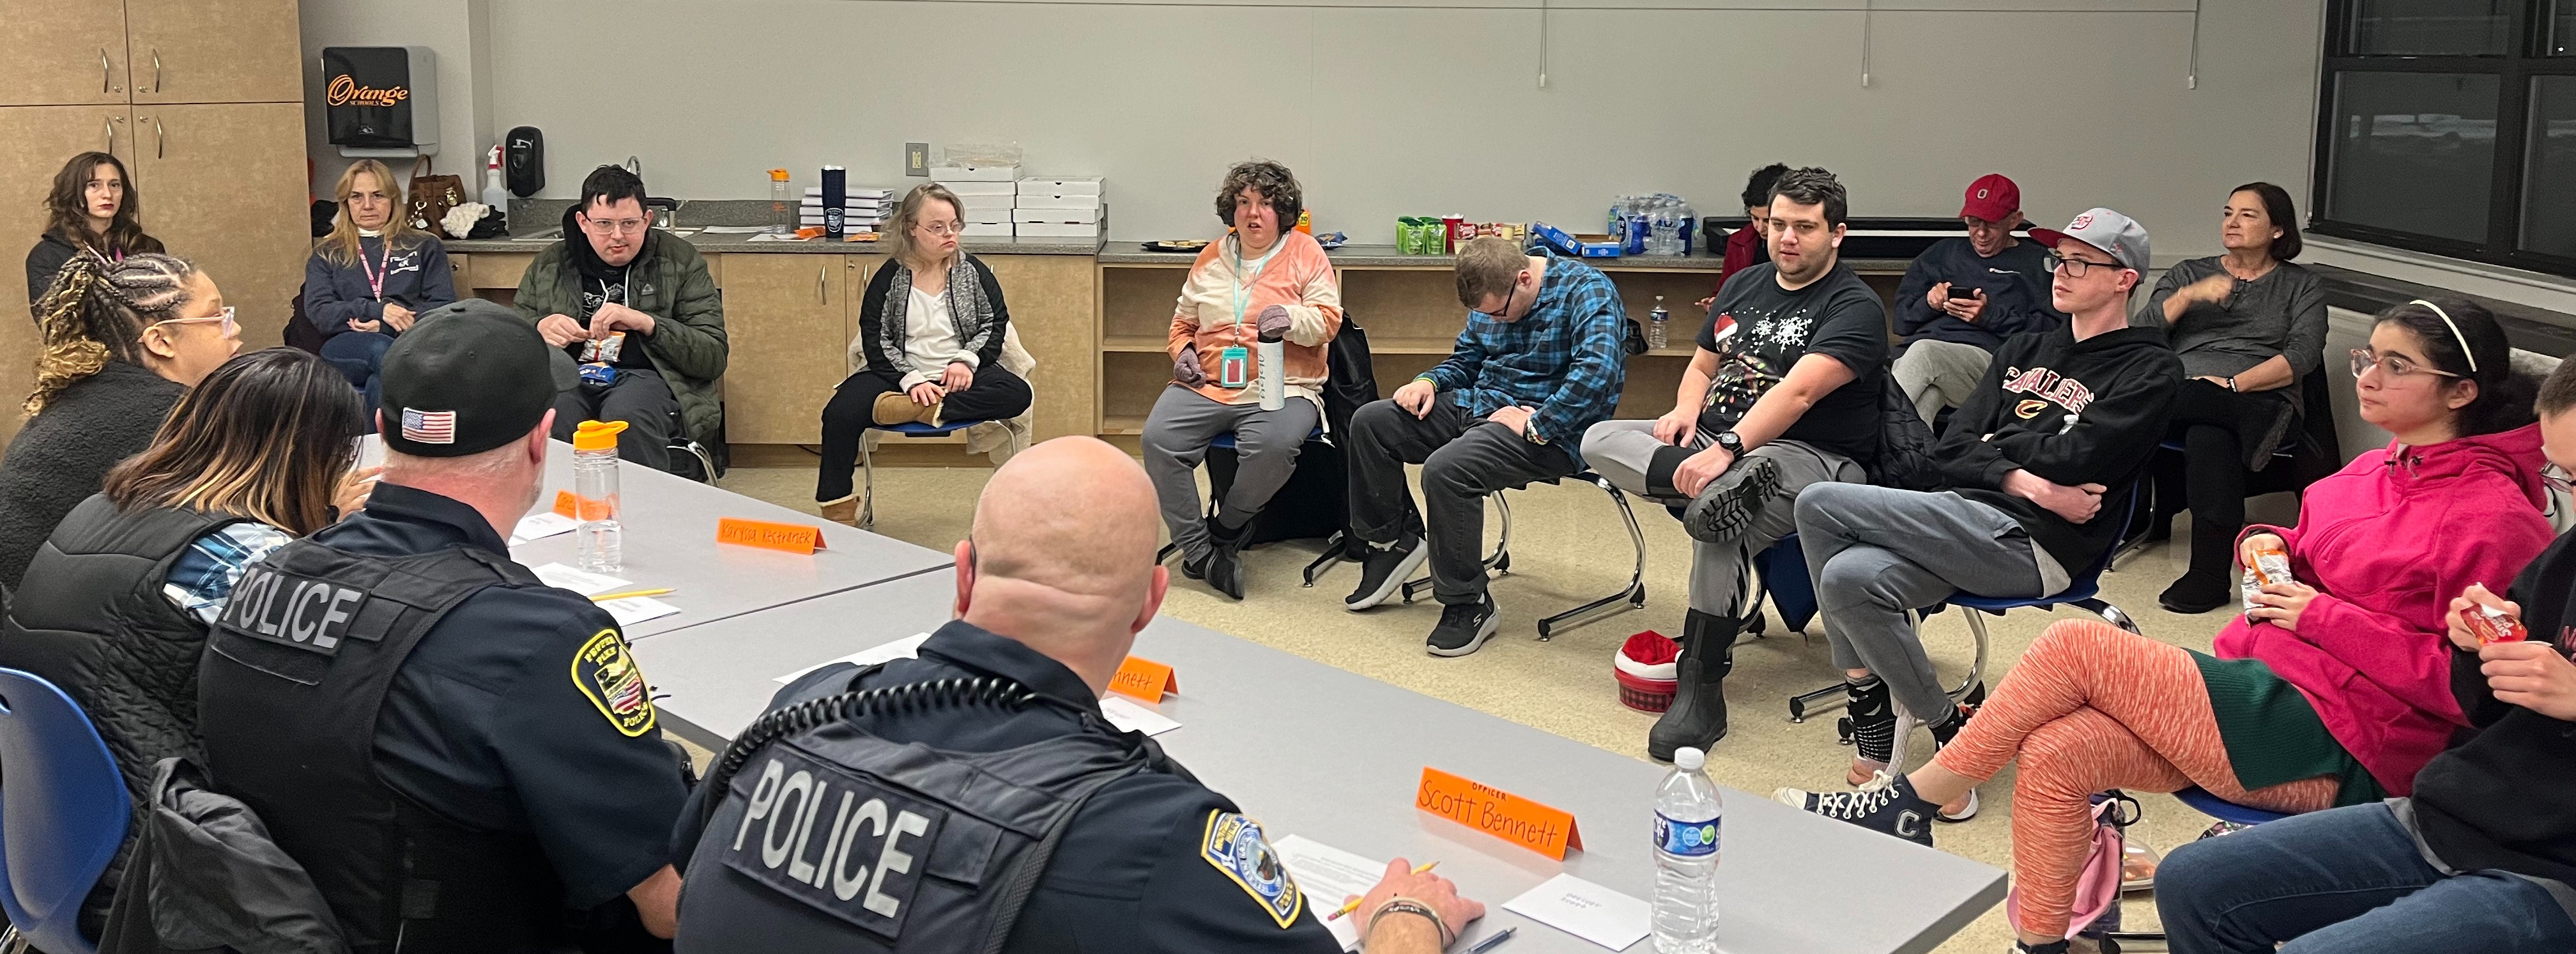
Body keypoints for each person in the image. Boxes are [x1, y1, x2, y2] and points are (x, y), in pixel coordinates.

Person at [1778, 296, 2551, 954]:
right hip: (2274, 684)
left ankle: (1912, 799)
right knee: (2057, 746)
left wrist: (2323, 615)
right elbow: (2305, 550)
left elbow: (2468, 695)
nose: (2367, 378)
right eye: (2366, 360)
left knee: (2079, 647)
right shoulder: (2368, 471)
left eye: (2394, 366)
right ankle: (2049, 942)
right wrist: (2267, 544)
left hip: (2355, 739)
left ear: (2461, 392)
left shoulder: (2497, 521)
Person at [670, 436, 1483, 953]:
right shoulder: (1154, 833)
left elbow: (681, 881)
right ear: (1150, 603)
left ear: (963, 575)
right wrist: (1405, 918)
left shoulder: (812, 706)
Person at [194, 301, 688, 953]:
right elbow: (675, 907)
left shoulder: (265, 577)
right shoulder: (536, 638)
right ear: (543, 439)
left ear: (383, 429)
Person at [2152, 355, 2576, 954]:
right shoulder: (2562, 560)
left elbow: (2428, 688)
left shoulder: (2493, 517)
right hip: (2459, 810)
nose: (2370, 380)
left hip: (2552, 868)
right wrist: (2480, 644)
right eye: (2569, 478)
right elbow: (2478, 702)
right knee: (2193, 881)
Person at [1791, 209, 2179, 822]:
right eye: (2059, 258)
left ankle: (1864, 701)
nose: (2061, 272)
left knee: (1817, 501)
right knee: (1845, 579)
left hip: (2039, 546)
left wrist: (1998, 453)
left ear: (2124, 279)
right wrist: (2026, 477)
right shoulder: (2025, 347)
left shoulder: (2152, 369)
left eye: (2080, 262)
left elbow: (2084, 454)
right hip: (1968, 517)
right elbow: (1949, 446)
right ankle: (1952, 732)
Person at [0, 348, 372, 939]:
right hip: (156, 875)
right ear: (310, 459)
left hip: (54, 847)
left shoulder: (102, 506)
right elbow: (347, 668)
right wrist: (339, 537)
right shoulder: (237, 554)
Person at [1579, 167, 1885, 758]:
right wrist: (1685, 415)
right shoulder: (1744, 284)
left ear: (1838, 234)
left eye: (1805, 227)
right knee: (1599, 439)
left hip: (1809, 457)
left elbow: (1798, 395)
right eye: (1777, 224)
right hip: (1717, 445)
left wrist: (1729, 449)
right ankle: (1707, 490)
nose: (1786, 238)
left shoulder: (1856, 305)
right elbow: (1700, 366)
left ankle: (1702, 687)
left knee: (1724, 522)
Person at [1343, 236, 1625, 656]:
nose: (1496, 320)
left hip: (1553, 430)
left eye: (1498, 311)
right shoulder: (1494, 296)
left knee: (1446, 469)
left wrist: (1536, 423)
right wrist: (1429, 381)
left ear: (1525, 279)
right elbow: (1468, 360)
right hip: (1484, 405)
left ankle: (1467, 602)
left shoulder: (1588, 289)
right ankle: (1393, 541)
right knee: (1370, 422)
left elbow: (1596, 376)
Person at [1142, 160, 1342, 598]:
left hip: (1284, 384)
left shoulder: (1305, 252)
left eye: (1266, 204)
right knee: (1158, 439)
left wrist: (1289, 318)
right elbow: (1181, 325)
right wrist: (1183, 355)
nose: (1254, 214)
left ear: (1283, 211)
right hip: (1209, 380)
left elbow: (1328, 322)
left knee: (1272, 445)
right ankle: (1201, 551)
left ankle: (1227, 527)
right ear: (1231, 209)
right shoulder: (1212, 256)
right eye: (1244, 203)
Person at [2141, 182, 2328, 613]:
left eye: (2248, 215)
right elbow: (2142, 334)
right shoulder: (2190, 273)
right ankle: (2209, 574)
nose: (2232, 222)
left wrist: (2232, 386)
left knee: (2210, 435)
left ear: (2278, 229)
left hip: (2261, 397)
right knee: (2200, 414)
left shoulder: (2302, 286)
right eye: (2228, 212)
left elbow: (2301, 356)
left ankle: (2207, 577)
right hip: (2181, 392)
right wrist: (2188, 296)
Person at [0, 254, 240, 589]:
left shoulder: (93, 394)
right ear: (161, 341)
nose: (235, 329)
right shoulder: (173, 416)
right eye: (216, 317)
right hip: (54, 617)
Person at [815, 183, 1032, 525]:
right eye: (937, 227)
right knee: (839, 413)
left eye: (955, 225)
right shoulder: (889, 277)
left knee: (1017, 393)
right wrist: (909, 378)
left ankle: (917, 410)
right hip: (899, 374)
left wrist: (967, 360)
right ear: (911, 228)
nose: (949, 234)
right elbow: (875, 338)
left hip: (958, 375)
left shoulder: (973, 272)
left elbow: (995, 323)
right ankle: (838, 509)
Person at [516, 164, 727, 472]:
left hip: (648, 376)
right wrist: (537, 330)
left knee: (626, 418)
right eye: (604, 224)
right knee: (554, 416)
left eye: (629, 223)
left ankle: (640, 513)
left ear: (647, 220)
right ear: (583, 222)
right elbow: (508, 342)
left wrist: (648, 324)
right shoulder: (551, 264)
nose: (618, 236)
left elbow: (713, 356)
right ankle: (559, 512)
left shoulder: (679, 260)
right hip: (569, 375)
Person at [1890, 173, 2066, 425]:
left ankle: (1864, 442)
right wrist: (1929, 304)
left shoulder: (2039, 264)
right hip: (1927, 361)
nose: (1981, 234)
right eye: (1973, 222)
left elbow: (2054, 334)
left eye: (1992, 224)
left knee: (1923, 354)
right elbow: (1901, 323)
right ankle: (1917, 463)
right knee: (1924, 402)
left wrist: (1990, 316)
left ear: (2015, 220)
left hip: (1993, 367)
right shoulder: (1942, 253)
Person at [303, 158, 457, 413]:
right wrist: (376, 311)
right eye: (356, 197)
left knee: (381, 379)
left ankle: (377, 447)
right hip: (346, 343)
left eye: (378, 196)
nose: (367, 206)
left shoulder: (424, 246)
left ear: (394, 200)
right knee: (382, 350)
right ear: (345, 203)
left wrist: (386, 326)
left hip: (413, 339)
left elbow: (444, 308)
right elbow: (321, 313)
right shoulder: (327, 253)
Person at [24, 151, 164, 307]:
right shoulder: (47, 256)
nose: (107, 194)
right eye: (94, 185)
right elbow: (55, 323)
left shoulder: (148, 247)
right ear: (73, 192)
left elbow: (169, 308)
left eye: (114, 185)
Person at [1696, 163, 1789, 308]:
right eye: (1755, 218)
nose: (1760, 227)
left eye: (1768, 220)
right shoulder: (1739, 242)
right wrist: (1716, 303)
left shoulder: (1797, 244)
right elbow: (1724, 291)